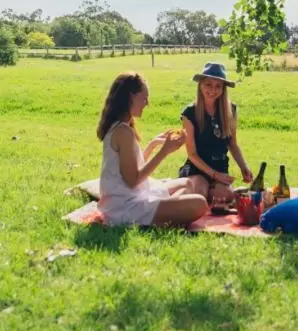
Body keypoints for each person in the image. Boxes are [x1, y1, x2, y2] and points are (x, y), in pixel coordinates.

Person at [96, 72, 208, 227]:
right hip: (125, 207)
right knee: (199, 203)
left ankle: (167, 214)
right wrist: (164, 151)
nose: (147, 103)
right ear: (130, 97)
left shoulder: (121, 127)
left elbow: (131, 167)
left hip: (133, 197)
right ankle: (166, 217)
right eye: (144, 98)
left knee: (189, 184)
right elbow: (132, 180)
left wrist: (154, 144)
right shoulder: (123, 132)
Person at [177, 62, 255, 207]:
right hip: (198, 169)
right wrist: (213, 175)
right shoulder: (189, 113)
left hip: (220, 167)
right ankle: (186, 186)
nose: (213, 90)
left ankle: (223, 192)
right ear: (200, 85)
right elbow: (192, 154)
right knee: (199, 194)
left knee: (224, 196)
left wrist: (244, 167)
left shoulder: (230, 109)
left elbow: (232, 144)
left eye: (218, 86)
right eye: (208, 84)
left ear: (224, 89)